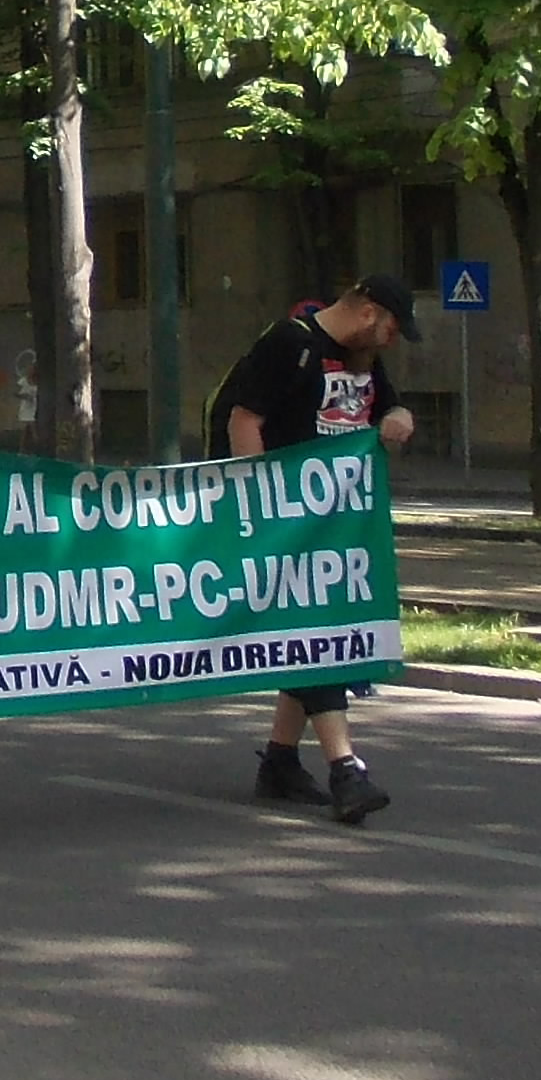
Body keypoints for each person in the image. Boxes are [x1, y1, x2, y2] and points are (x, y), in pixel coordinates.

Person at [206, 275, 420, 825]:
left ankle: (279, 761)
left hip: (333, 524)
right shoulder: (289, 344)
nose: (393, 341)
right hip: (280, 520)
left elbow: (388, 410)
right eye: (392, 328)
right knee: (312, 634)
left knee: (310, 632)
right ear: (368, 313)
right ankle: (345, 768)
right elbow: (242, 420)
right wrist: (260, 510)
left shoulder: (363, 360)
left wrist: (398, 421)